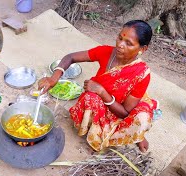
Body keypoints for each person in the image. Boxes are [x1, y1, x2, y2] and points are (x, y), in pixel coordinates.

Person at [38, 20, 158, 153]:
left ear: (142, 49)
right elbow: (71, 57)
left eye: (128, 43)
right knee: (89, 98)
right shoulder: (106, 52)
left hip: (121, 108)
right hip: (101, 101)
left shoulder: (141, 74)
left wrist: (101, 91)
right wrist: (54, 78)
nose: (120, 45)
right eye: (120, 38)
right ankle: (105, 129)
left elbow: (125, 113)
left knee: (142, 119)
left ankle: (137, 136)